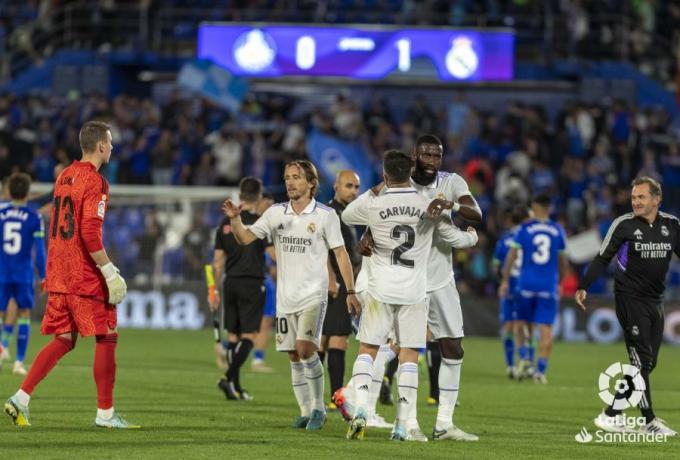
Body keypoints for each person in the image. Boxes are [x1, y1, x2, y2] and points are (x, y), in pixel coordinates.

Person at [4, 121, 135, 428]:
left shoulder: (64, 175)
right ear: (101, 146)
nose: (113, 148)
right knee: (107, 336)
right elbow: (89, 232)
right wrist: (108, 270)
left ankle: (20, 398)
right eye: (111, 143)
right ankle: (105, 414)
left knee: (64, 338)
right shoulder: (97, 182)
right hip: (82, 274)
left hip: (58, 271)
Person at [342, 149, 478, 442]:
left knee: (367, 350)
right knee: (408, 356)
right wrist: (472, 237)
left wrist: (376, 190)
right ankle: (402, 425)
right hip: (415, 291)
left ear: (385, 174)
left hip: (380, 289)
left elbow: (347, 213)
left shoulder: (374, 203)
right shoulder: (428, 205)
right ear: (410, 171)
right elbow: (454, 237)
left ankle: (362, 410)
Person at [222, 160, 360, 431]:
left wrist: (351, 290)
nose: (290, 182)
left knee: (307, 349)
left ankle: (319, 409)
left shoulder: (325, 215)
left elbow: (341, 254)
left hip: (313, 295)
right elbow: (245, 238)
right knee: (293, 356)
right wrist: (235, 220)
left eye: (296, 177)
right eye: (287, 177)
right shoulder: (276, 213)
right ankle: (305, 411)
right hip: (286, 298)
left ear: (311, 183)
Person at [575, 177, 679, 436]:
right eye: (634, 197)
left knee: (648, 363)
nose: (636, 202)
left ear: (657, 199)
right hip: (629, 299)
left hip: (656, 300)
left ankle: (611, 414)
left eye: (641, 197)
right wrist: (583, 285)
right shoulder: (623, 225)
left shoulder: (672, 225)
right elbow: (602, 258)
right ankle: (649, 421)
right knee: (641, 359)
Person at [410, 134, 482, 442]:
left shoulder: (451, 181)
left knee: (453, 346)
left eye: (436, 156)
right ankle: (368, 408)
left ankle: (443, 424)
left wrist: (451, 204)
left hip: (440, 279)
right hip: (406, 278)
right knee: (391, 348)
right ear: (415, 155)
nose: (431, 160)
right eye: (425, 154)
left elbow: (476, 214)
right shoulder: (399, 184)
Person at [211, 177, 273, 400]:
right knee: (249, 336)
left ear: (240, 194)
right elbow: (274, 255)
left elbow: (217, 262)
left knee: (234, 337)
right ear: (259, 195)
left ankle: (235, 387)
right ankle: (228, 378)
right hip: (253, 284)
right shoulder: (260, 222)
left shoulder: (224, 224)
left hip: (230, 283)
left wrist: (213, 290)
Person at [499, 195, 568, 384]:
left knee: (520, 324)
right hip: (547, 286)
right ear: (549, 208)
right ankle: (540, 370)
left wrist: (505, 280)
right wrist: (559, 283)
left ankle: (525, 358)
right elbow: (563, 262)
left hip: (526, 285)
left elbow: (511, 257)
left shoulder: (524, 229)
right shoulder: (557, 230)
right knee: (546, 330)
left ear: (535, 207)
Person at [319, 170, 361, 409]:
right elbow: (324, 248)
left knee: (324, 340)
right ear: (336, 186)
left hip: (342, 281)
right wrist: (331, 278)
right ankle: (336, 396)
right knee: (338, 339)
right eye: (349, 186)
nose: (353, 191)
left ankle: (321, 397)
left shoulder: (347, 214)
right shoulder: (331, 213)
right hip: (335, 283)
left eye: (356, 187)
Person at [0, 173, 46, 375]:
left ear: (9, 191)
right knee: (24, 315)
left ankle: (2, 349)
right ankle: (19, 363)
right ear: (28, 193)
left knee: (1, 313)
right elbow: (40, 250)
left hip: (2, 272)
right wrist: (44, 275)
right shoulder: (34, 217)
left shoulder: (0, 213)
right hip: (23, 274)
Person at [492, 206, 530, 379]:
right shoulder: (530, 236)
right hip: (525, 285)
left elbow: (496, 265)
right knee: (524, 326)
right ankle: (525, 361)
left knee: (509, 326)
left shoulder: (505, 239)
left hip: (509, 285)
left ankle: (511, 365)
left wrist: (503, 282)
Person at [251, 192, 276, 373]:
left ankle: (257, 359)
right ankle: (228, 347)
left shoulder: (271, 227)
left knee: (265, 320)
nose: (270, 207)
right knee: (250, 323)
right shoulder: (254, 225)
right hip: (253, 279)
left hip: (265, 278)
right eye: (268, 203)